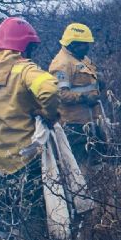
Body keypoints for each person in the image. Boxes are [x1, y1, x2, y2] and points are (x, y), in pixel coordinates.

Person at [0, 17, 59, 240]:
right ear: (23, 45)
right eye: (30, 47)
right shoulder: (24, 69)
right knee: (33, 204)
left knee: (5, 201)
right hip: (25, 153)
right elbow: (50, 90)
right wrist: (48, 114)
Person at [49, 23, 105, 165]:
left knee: (98, 160)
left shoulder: (82, 59)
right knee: (81, 163)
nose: (87, 47)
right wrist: (83, 97)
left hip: (92, 118)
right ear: (73, 44)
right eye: (83, 44)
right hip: (75, 124)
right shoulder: (61, 64)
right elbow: (60, 94)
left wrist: (99, 82)